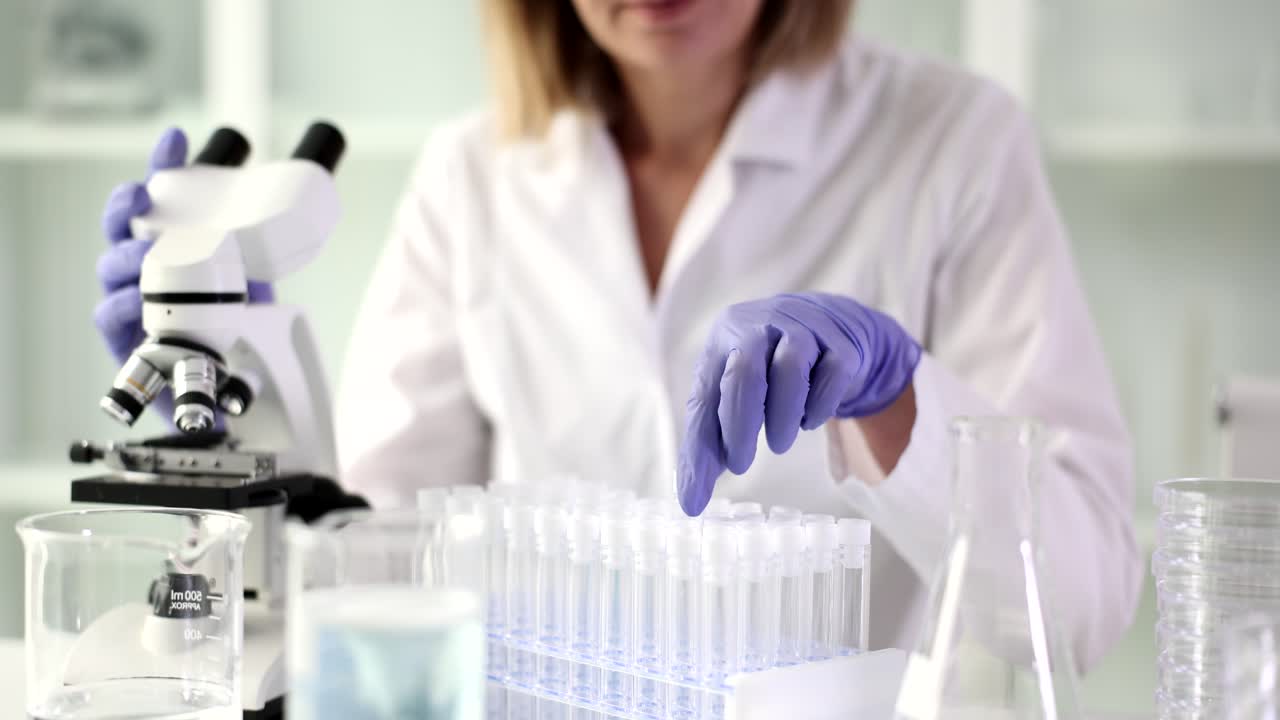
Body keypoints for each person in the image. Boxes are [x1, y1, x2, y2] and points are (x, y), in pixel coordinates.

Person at [93, 0, 1139, 667]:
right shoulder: (473, 175)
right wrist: (243, 389)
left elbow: (1083, 604)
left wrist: (897, 400)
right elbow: (363, 553)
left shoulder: (952, 143)